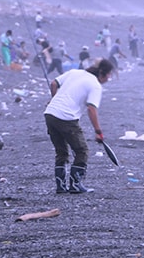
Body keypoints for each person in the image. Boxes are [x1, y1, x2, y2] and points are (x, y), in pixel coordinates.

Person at [43, 59, 114, 194]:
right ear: (103, 73)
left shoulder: (75, 72)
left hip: (50, 114)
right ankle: (75, 185)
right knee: (82, 151)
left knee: (61, 151)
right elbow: (91, 109)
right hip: (67, 118)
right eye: (110, 75)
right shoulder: (95, 85)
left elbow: (54, 83)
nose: (109, 78)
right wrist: (98, 131)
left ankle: (61, 186)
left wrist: (55, 100)